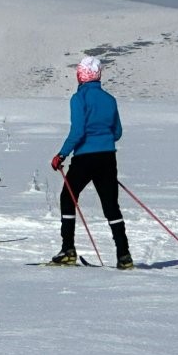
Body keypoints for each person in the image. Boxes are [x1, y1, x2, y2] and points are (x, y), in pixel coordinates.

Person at [50, 56, 133, 270]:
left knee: (67, 198)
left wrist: (61, 155)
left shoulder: (79, 99)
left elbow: (77, 131)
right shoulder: (110, 99)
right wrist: (102, 140)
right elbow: (118, 132)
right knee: (111, 206)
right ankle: (124, 255)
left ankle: (68, 249)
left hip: (85, 158)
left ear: (81, 75)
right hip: (107, 158)